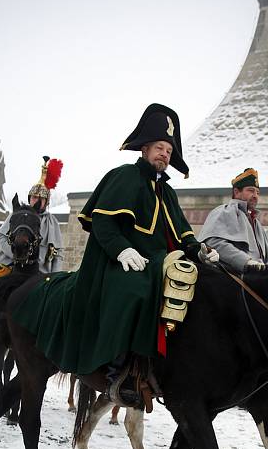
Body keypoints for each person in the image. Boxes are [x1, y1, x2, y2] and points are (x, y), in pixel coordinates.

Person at [12, 103, 218, 405]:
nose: (164, 154)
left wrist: (200, 250)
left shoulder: (167, 192)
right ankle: (118, 369)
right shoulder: (124, 176)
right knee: (133, 289)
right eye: (160, 148)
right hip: (115, 260)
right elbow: (104, 224)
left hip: (157, 260)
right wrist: (123, 250)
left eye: (169, 151)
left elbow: (182, 233)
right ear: (145, 149)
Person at [0, 156, 64, 296]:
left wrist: (55, 280)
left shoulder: (53, 223)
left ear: (46, 202)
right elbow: (0, 237)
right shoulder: (19, 215)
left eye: (41, 198)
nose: (37, 201)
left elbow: (58, 255)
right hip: (11, 265)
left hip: (41, 274)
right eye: (34, 197)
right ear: (29, 198)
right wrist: (15, 254)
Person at [197, 167, 268, 273]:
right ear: (237, 192)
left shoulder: (257, 223)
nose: (255, 196)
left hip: (258, 280)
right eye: (251, 190)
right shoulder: (224, 211)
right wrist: (247, 262)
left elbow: (266, 258)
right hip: (232, 279)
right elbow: (213, 243)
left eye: (258, 192)